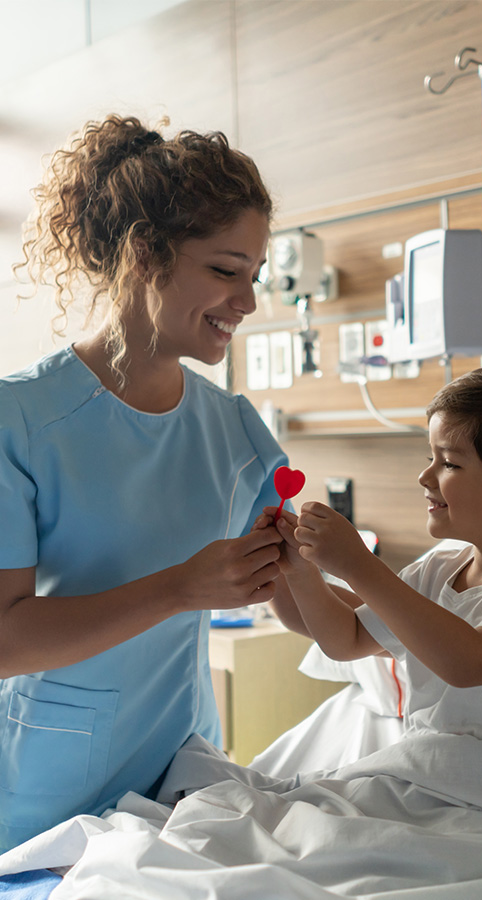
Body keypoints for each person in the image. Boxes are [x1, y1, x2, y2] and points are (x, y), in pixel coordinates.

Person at [0, 114, 286, 851]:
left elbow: (297, 597)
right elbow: (4, 637)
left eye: (254, 277)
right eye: (225, 271)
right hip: (48, 792)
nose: (246, 303)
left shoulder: (238, 432)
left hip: (184, 779)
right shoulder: (21, 420)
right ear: (144, 256)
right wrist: (182, 588)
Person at [264, 362, 482, 779]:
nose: (424, 476)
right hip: (438, 776)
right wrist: (298, 570)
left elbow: (468, 663)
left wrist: (358, 565)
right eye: (431, 457)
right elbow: (347, 638)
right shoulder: (438, 571)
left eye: (449, 463)